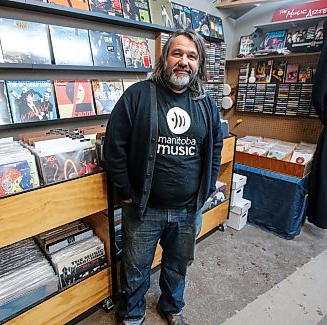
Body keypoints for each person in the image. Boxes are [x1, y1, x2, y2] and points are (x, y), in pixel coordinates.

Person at [104, 30, 223, 325]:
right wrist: (125, 189)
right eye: (177, 53)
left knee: (177, 265)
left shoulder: (205, 102)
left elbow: (215, 146)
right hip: (144, 208)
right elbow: (114, 145)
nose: (184, 62)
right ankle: (132, 313)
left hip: (188, 209)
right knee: (135, 267)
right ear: (165, 58)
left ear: (199, 63)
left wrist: (207, 188)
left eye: (192, 56)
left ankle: (171, 306)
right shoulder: (138, 95)